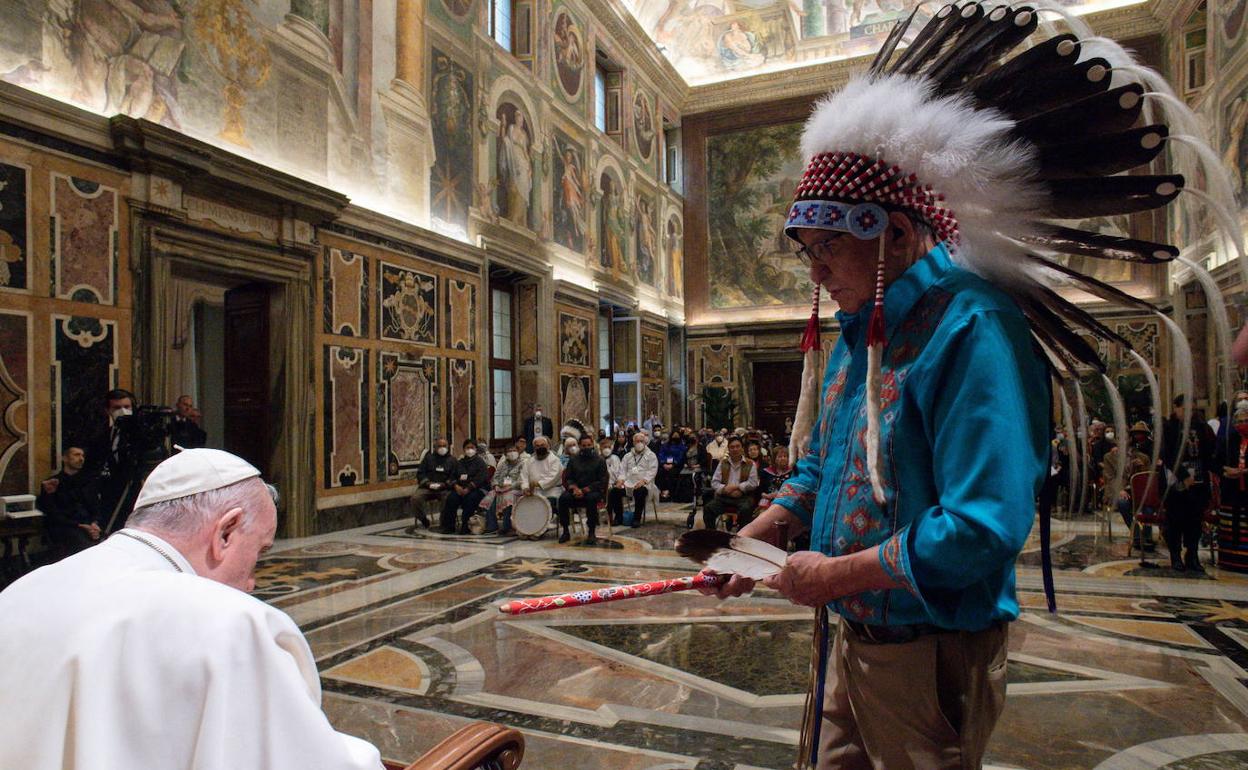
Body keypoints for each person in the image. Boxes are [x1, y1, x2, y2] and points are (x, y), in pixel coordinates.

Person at [0, 448, 383, 770]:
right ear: (226, 531)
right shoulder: (229, 623)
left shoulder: (21, 591)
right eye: (259, 554)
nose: (252, 583)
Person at [1162, 395, 1216, 572]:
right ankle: (1175, 556)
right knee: (1175, 520)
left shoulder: (1202, 427)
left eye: (1192, 409)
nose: (1189, 413)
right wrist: (1183, 475)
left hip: (1198, 480)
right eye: (1185, 409)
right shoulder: (1169, 427)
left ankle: (1192, 554)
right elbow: (1166, 454)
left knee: (1195, 519)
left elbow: (1209, 453)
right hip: (1176, 480)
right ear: (1176, 408)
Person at [35, 445, 102, 556]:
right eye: (76, 455)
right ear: (65, 458)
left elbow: (95, 508)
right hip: (66, 528)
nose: (81, 459)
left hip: (88, 525)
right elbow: (52, 513)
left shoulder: (88, 482)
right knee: (87, 549)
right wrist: (80, 525)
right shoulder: (53, 483)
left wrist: (94, 524)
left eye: (82, 455)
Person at [700, 435, 759, 530]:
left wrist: (737, 487)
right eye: (732, 447)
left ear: (742, 448)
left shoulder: (750, 463)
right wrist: (724, 489)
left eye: (737, 446)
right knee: (708, 509)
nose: (735, 449)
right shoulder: (723, 463)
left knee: (746, 510)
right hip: (724, 497)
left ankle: (741, 537)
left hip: (743, 497)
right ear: (728, 449)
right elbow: (714, 482)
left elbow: (753, 483)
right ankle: (711, 536)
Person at [557, 434, 607, 544]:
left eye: (589, 445)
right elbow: (569, 478)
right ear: (580, 446)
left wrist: (585, 490)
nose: (586, 447)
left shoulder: (600, 460)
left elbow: (602, 481)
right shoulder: (573, 460)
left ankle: (591, 532)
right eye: (584, 445)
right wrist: (574, 488)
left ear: (592, 445)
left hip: (593, 491)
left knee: (591, 499)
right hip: (575, 491)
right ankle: (565, 531)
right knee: (563, 499)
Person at [441, 439, 489, 534]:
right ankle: (449, 526)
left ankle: (466, 526)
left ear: (476, 449)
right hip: (460, 489)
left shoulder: (480, 463)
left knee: (470, 499)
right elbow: (452, 476)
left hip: (476, 489)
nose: (470, 450)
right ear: (464, 449)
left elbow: (481, 478)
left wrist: (469, 488)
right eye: (467, 448)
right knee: (451, 498)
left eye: (472, 448)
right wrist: (456, 486)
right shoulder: (460, 462)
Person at [412, 438, 457, 529]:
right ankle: (423, 519)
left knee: (448, 499)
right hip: (427, 488)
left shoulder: (452, 460)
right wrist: (428, 483)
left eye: (444, 446)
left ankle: (443, 521)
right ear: (435, 447)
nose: (442, 448)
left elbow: (454, 476)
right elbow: (420, 473)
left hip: (444, 489)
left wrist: (444, 485)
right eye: (439, 446)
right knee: (415, 498)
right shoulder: (428, 458)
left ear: (448, 447)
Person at [482, 442, 525, 534]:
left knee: (508, 497)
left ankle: (508, 526)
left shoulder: (523, 464)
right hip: (501, 488)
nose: (512, 452)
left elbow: (522, 480)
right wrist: (496, 485)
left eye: (514, 450)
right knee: (490, 496)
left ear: (518, 452)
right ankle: (492, 525)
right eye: (509, 451)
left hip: (516, 489)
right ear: (505, 454)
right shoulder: (502, 464)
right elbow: (495, 477)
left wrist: (509, 487)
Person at [619, 431, 658, 527]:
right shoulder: (628, 456)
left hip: (644, 483)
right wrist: (621, 480)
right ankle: (618, 517)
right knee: (614, 491)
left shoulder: (651, 455)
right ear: (633, 443)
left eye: (641, 441)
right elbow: (622, 470)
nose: (639, 443)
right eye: (637, 441)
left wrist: (644, 481)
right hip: (629, 482)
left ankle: (637, 518)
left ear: (645, 443)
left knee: (639, 491)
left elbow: (652, 471)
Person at [520, 436, 563, 515]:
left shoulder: (554, 460)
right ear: (534, 448)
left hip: (551, 492)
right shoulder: (529, 461)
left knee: (547, 505)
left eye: (542, 445)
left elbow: (553, 477)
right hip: (533, 491)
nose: (540, 447)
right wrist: (525, 488)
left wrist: (537, 483)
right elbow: (524, 477)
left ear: (548, 446)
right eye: (537, 446)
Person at [602, 436, 626, 526]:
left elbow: (621, 472)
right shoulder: (599, 459)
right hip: (602, 485)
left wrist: (619, 481)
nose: (606, 449)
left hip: (616, 484)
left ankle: (618, 516)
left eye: (608, 447)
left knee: (614, 492)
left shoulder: (615, 458)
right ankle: (606, 515)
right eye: (604, 447)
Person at [656, 431, 686, 500]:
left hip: (676, 465)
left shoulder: (682, 446)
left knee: (671, 474)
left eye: (676, 436)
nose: (675, 438)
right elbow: (661, 454)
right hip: (665, 464)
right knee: (659, 473)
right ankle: (662, 491)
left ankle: (670, 492)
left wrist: (674, 464)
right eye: (673, 436)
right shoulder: (665, 445)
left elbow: (681, 457)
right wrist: (663, 463)